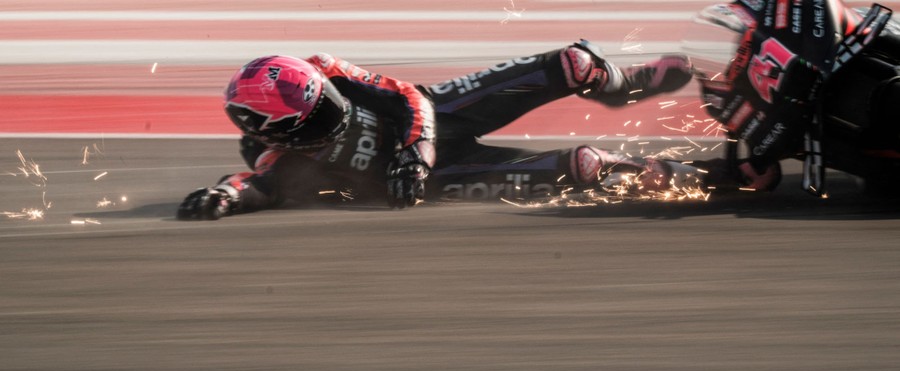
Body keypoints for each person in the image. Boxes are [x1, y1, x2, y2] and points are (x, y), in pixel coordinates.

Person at [176, 40, 765, 220]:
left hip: (435, 119)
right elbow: (260, 183)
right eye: (319, 116)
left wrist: (416, 149)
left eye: (326, 101)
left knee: (571, 63)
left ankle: (627, 80)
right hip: (445, 179)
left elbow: (403, 95)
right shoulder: (267, 151)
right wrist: (224, 196)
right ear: (277, 133)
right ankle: (719, 178)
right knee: (587, 168)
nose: (331, 109)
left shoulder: (324, 69)